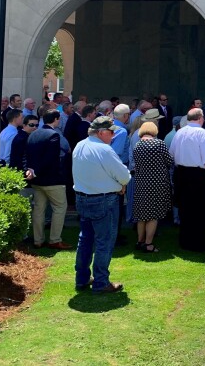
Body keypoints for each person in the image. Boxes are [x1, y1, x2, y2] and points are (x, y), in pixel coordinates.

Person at [72, 116, 131, 294]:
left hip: (83, 198)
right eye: (111, 132)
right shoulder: (104, 149)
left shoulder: (80, 145)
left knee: (86, 239)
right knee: (104, 241)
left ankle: (82, 279)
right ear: (101, 132)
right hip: (103, 200)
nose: (113, 136)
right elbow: (124, 176)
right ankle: (100, 282)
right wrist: (120, 185)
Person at [169, 108, 205, 252]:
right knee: (200, 210)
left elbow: (171, 154)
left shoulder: (179, 133)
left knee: (185, 209)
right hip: (198, 175)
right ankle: (197, 242)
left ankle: (185, 240)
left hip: (181, 173)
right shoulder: (204, 134)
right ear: (200, 118)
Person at [27, 110, 73, 249]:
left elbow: (30, 156)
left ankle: (38, 240)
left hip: (36, 180)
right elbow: (51, 158)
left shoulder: (33, 133)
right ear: (56, 119)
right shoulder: (54, 135)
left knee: (39, 209)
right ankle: (54, 240)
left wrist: (33, 171)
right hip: (52, 179)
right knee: (60, 207)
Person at [131, 121, 173, 253]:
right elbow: (169, 161)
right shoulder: (159, 144)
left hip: (142, 182)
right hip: (157, 183)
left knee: (142, 214)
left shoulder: (137, 145)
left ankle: (140, 241)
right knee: (153, 215)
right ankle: (149, 244)